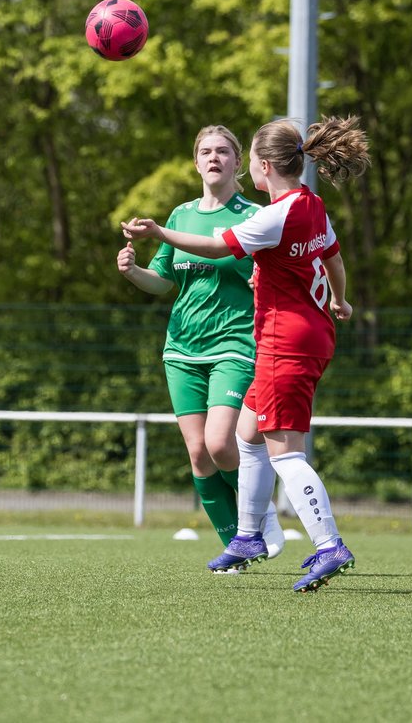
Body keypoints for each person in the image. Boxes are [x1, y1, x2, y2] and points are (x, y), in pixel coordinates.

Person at [122, 115, 370, 592]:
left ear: (258, 166)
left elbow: (215, 247)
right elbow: (334, 257)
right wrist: (339, 299)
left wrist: (159, 232)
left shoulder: (272, 215)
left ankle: (328, 544)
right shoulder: (312, 204)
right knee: (247, 436)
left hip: (284, 342)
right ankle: (248, 535)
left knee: (286, 455)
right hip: (307, 335)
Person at [116, 125, 284, 556]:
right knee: (197, 454)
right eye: (206, 151)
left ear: (237, 163)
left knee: (221, 443)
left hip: (234, 343)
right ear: (196, 162)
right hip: (181, 349)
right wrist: (134, 272)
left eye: (224, 151)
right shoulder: (180, 215)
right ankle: (238, 549)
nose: (214, 158)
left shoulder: (253, 216)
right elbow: (162, 282)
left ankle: (261, 516)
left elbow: (264, 274)